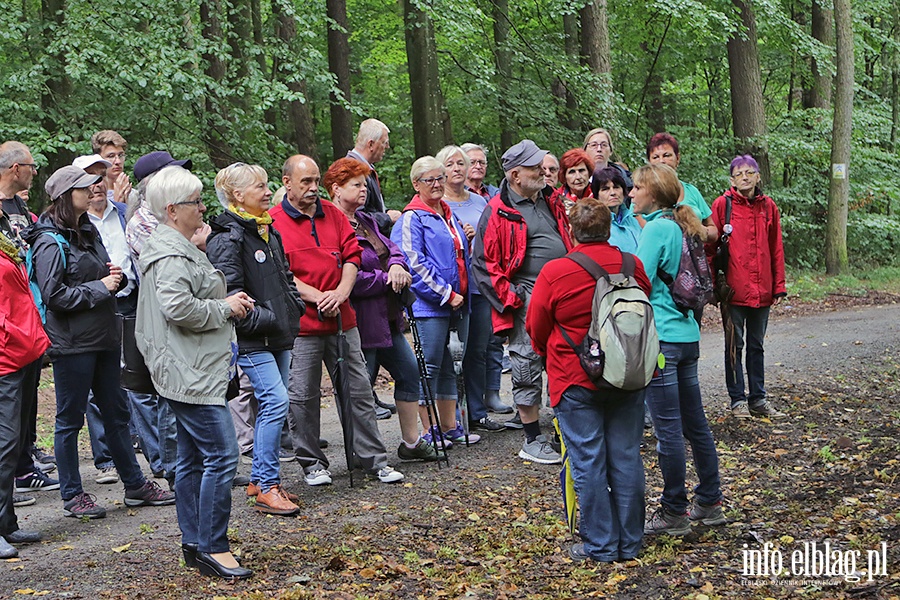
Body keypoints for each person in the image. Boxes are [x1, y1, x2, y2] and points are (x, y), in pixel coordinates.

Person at [25, 165, 175, 519]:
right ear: (66, 196)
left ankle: (135, 485)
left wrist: (115, 280)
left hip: (106, 336)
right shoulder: (49, 240)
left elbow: (99, 275)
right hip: (73, 344)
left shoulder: (86, 229)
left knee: (117, 414)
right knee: (69, 420)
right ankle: (73, 495)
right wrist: (100, 288)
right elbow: (53, 295)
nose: (93, 189)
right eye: (83, 187)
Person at [136, 165, 253, 580]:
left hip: (191, 366)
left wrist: (226, 298)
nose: (203, 207)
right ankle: (213, 547)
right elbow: (178, 308)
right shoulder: (169, 253)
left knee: (190, 459)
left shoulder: (176, 245)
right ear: (172, 210)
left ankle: (194, 542)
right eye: (197, 202)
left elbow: (189, 297)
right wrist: (225, 308)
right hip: (189, 372)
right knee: (222, 455)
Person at [527, 199, 651, 562]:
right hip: (627, 375)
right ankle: (630, 542)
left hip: (574, 378)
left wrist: (549, 353)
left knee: (588, 461)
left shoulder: (556, 271)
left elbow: (536, 326)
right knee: (627, 457)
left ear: (570, 230)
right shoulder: (632, 265)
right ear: (610, 229)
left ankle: (600, 544)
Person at [271, 155, 404, 486]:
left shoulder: (333, 215)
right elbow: (280, 272)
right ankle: (312, 463)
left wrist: (342, 292)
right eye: (306, 182)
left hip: (343, 320)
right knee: (302, 395)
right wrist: (318, 296)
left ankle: (373, 459)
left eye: (317, 181)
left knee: (358, 389)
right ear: (287, 182)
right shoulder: (272, 222)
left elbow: (352, 255)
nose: (314, 188)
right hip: (302, 326)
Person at [629, 163, 725, 535]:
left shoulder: (656, 229)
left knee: (667, 429)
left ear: (652, 193)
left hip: (663, 340)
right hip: (688, 335)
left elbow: (640, 280)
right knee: (695, 423)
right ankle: (710, 501)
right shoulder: (686, 223)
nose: (632, 193)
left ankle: (673, 511)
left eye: (637, 188)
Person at [206, 163, 306, 515]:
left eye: (267, 186)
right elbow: (230, 294)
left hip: (276, 333)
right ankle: (267, 485)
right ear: (237, 195)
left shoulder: (266, 229)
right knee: (276, 401)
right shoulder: (226, 237)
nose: (267, 192)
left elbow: (284, 277)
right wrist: (269, 318)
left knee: (271, 405)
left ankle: (259, 478)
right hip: (251, 338)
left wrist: (292, 308)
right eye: (259, 187)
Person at [325, 157, 439, 461]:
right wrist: (386, 278)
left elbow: (393, 251)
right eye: (356, 185)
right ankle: (363, 452)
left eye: (365, 184)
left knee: (409, 372)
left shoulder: (367, 221)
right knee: (361, 390)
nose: (364, 190)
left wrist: (399, 267)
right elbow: (343, 276)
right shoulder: (329, 226)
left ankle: (411, 443)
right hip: (358, 321)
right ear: (336, 189)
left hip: (387, 318)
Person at [473, 140, 573, 464]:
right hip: (528, 296)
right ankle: (532, 439)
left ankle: (564, 431)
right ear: (515, 174)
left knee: (565, 358)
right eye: (534, 168)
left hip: (563, 292)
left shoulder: (550, 199)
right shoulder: (497, 210)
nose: (542, 172)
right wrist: (512, 297)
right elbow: (484, 265)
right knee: (526, 363)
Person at [391, 156, 481, 446]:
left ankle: (449, 425)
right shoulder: (412, 218)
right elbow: (412, 264)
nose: (437, 184)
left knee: (449, 366)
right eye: (429, 180)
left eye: (440, 178)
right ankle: (428, 430)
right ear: (416, 184)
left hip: (458, 301)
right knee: (427, 366)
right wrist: (445, 293)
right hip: (429, 306)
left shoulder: (447, 213)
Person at [72, 153, 144, 487]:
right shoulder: (71, 224)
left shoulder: (124, 212)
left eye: (101, 177)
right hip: (91, 309)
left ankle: (141, 451)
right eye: (89, 178)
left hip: (129, 299)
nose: (97, 185)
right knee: (95, 389)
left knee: (132, 378)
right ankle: (104, 460)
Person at [0, 141, 57, 498]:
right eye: (31, 166)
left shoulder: (22, 208)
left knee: (26, 401)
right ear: (14, 168)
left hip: (30, 316)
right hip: (8, 322)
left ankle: (23, 466)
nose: (35, 172)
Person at [710, 155, 787, 419]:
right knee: (735, 345)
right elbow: (711, 248)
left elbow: (776, 248)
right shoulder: (723, 205)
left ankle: (758, 398)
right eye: (739, 173)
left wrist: (779, 286)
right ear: (731, 179)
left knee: (757, 345)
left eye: (749, 172)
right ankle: (737, 399)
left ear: (758, 176)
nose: (745, 177)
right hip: (733, 289)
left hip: (763, 289)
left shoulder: (769, 207)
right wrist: (712, 285)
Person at [435, 146, 505, 432]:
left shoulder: (480, 202)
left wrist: (476, 238)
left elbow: (495, 241)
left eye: (461, 164)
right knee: (453, 354)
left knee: (479, 349)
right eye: (450, 164)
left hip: (481, 284)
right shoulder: (436, 204)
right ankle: (454, 417)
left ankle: (477, 412)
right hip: (452, 290)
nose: (457, 169)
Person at [0, 201, 51, 558]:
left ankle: (7, 524)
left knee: (15, 443)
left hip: (23, 351)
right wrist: (15, 337)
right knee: (4, 443)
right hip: (7, 355)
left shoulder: (4, 239)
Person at [461, 143, 510, 415]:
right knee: (468, 346)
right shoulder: (446, 196)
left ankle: (491, 393)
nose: (477, 166)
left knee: (492, 341)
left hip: (489, 278)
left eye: (482, 162)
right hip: (463, 281)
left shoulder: (492, 195)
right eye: (473, 162)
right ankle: (467, 403)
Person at [646, 132, 717, 242]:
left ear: (677, 158)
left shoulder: (691, 191)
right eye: (655, 157)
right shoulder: (642, 192)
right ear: (649, 162)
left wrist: (699, 229)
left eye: (667, 155)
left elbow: (713, 231)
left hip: (693, 255)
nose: (661, 161)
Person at [346, 119, 401, 234]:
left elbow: (370, 209)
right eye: (384, 142)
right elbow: (355, 217)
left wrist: (386, 213)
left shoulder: (365, 168)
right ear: (371, 144)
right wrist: (387, 218)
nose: (387, 147)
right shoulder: (353, 170)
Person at [591, 166, 642, 254]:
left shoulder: (632, 219)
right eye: (605, 189)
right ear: (597, 195)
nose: (613, 193)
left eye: (616, 187)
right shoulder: (594, 224)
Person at [582, 128, 632, 192]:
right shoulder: (576, 180)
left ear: (611, 151)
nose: (599, 149)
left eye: (604, 145)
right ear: (585, 150)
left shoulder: (626, 180)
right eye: (594, 145)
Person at [91, 130, 131, 206]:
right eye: (111, 156)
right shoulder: (93, 195)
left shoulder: (134, 194)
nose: (118, 161)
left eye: (121, 155)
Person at [549, 149, 595, 213]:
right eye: (572, 172)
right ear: (564, 176)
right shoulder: (555, 200)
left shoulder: (599, 194)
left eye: (581, 170)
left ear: (589, 172)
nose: (578, 177)